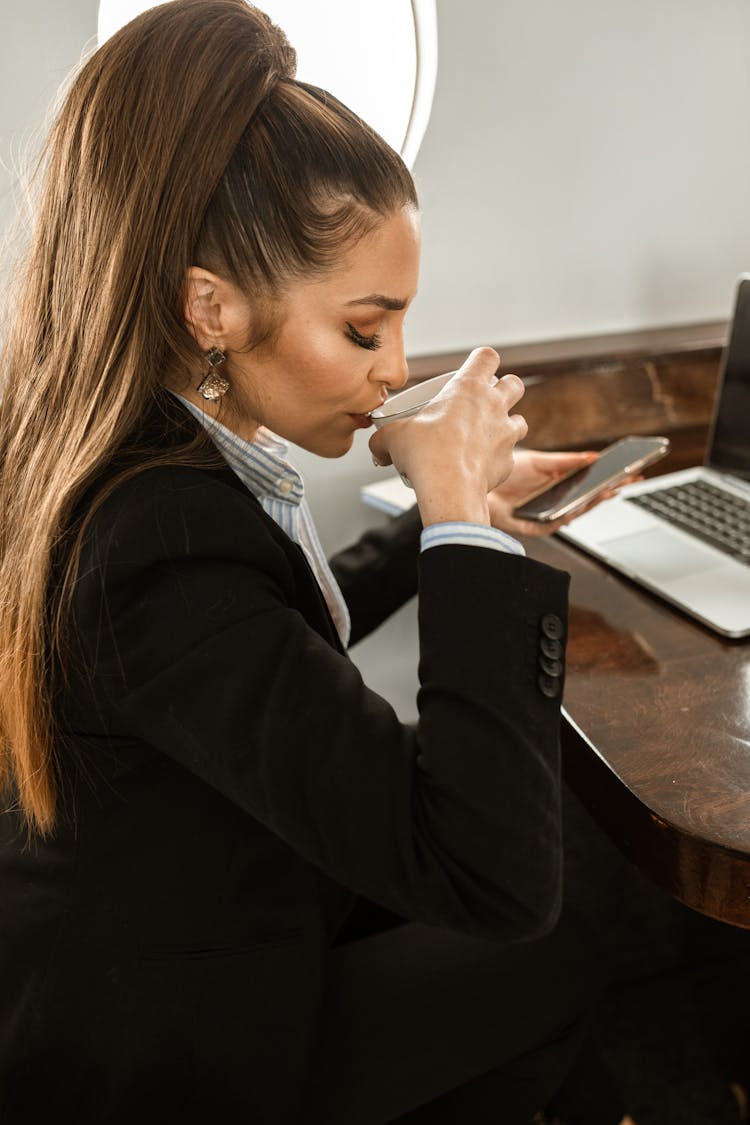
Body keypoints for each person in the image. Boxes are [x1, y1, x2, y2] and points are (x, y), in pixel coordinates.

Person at [0, 2, 633, 1122]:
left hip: (182, 913)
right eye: (362, 329)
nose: (396, 373)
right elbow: (489, 876)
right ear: (213, 307)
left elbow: (260, 618)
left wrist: (453, 520)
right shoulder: (158, 542)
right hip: (171, 1043)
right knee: (573, 913)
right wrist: (460, 530)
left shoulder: (136, 459)